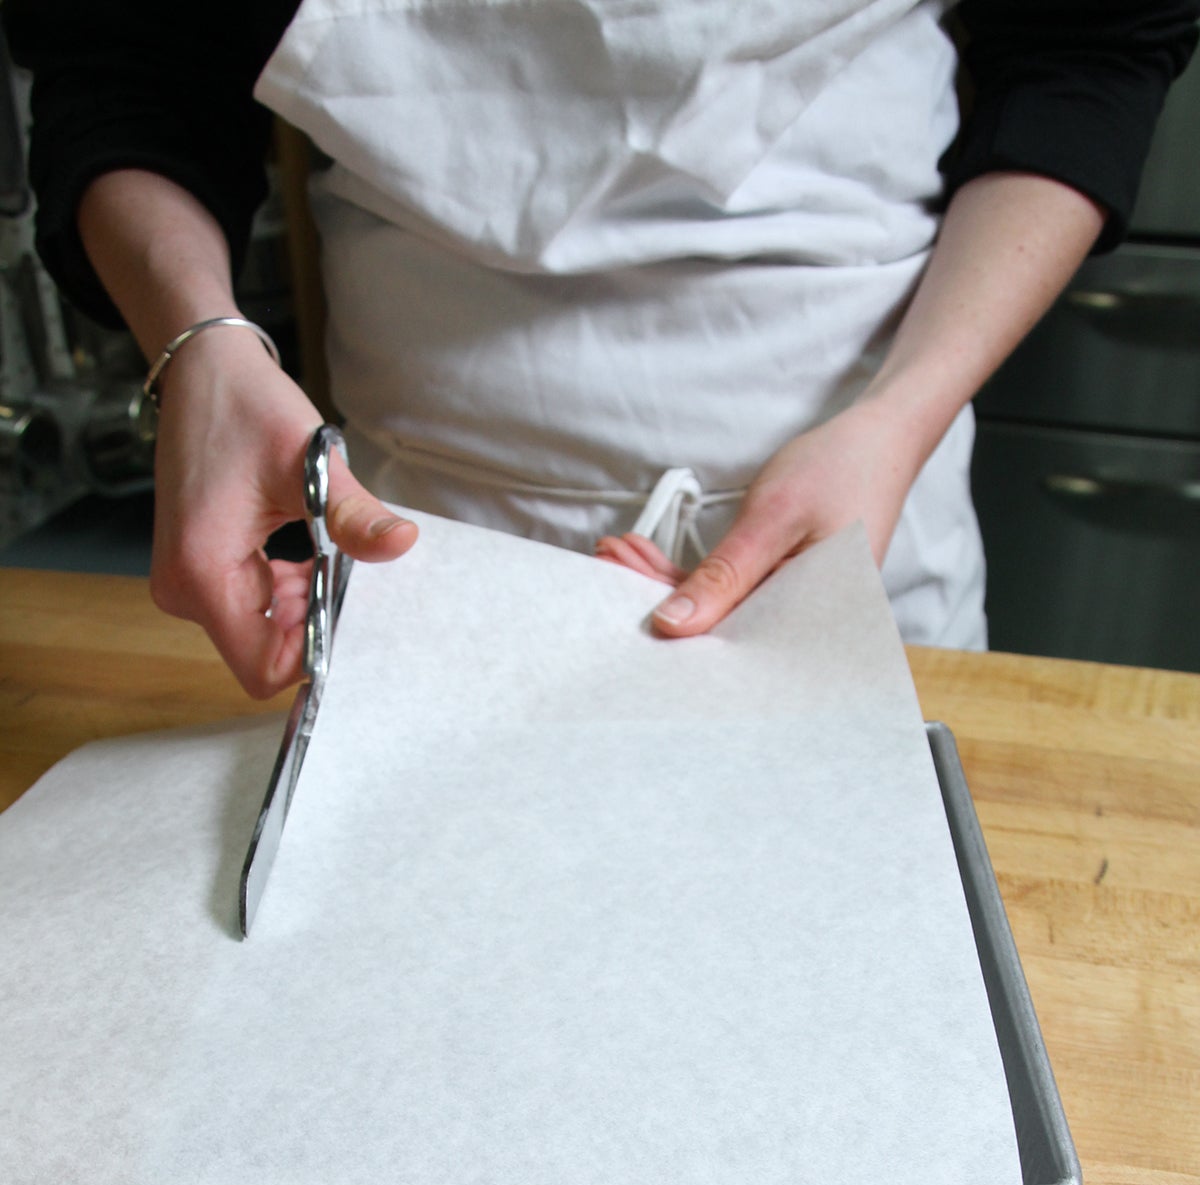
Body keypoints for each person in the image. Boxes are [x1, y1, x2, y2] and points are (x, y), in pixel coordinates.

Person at [8, 1, 1198, 697]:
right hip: (431, 532)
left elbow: (1090, 41)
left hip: (860, 484)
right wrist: (202, 350)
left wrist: (903, 415)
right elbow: (124, 64)